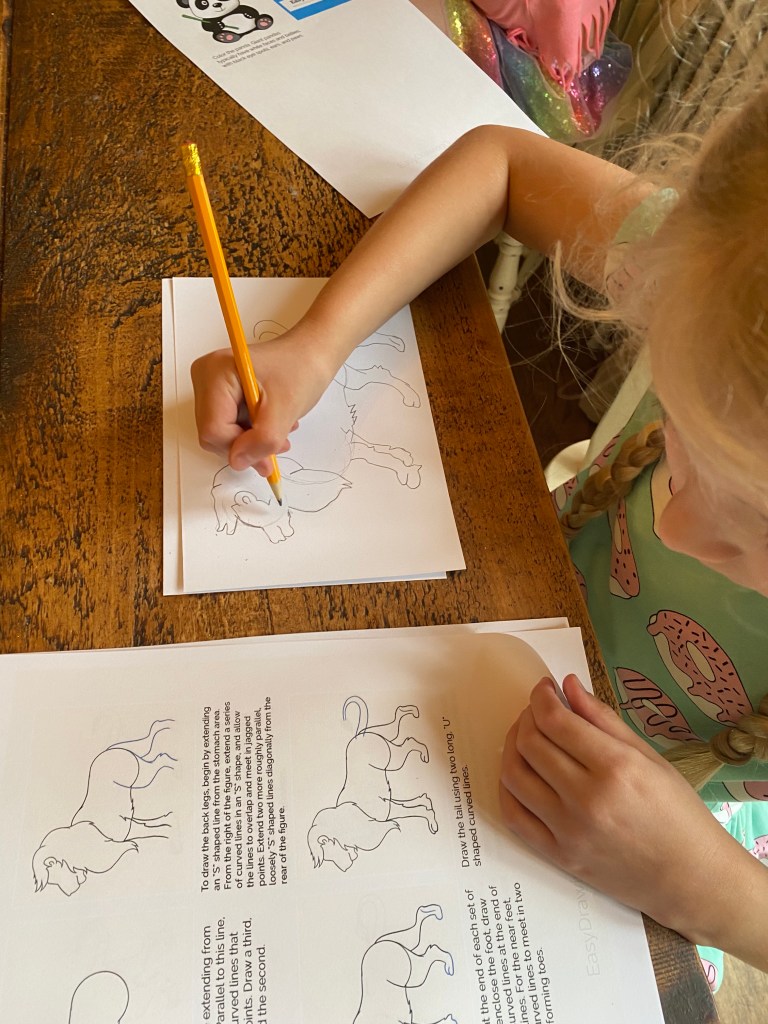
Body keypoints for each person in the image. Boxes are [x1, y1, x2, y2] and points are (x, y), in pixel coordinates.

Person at [190, 86, 768, 984]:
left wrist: (712, 891)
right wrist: (317, 342)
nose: (680, 524)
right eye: (685, 435)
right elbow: (502, 166)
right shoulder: (730, 269)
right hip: (516, 592)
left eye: (754, 525)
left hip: (673, 831)